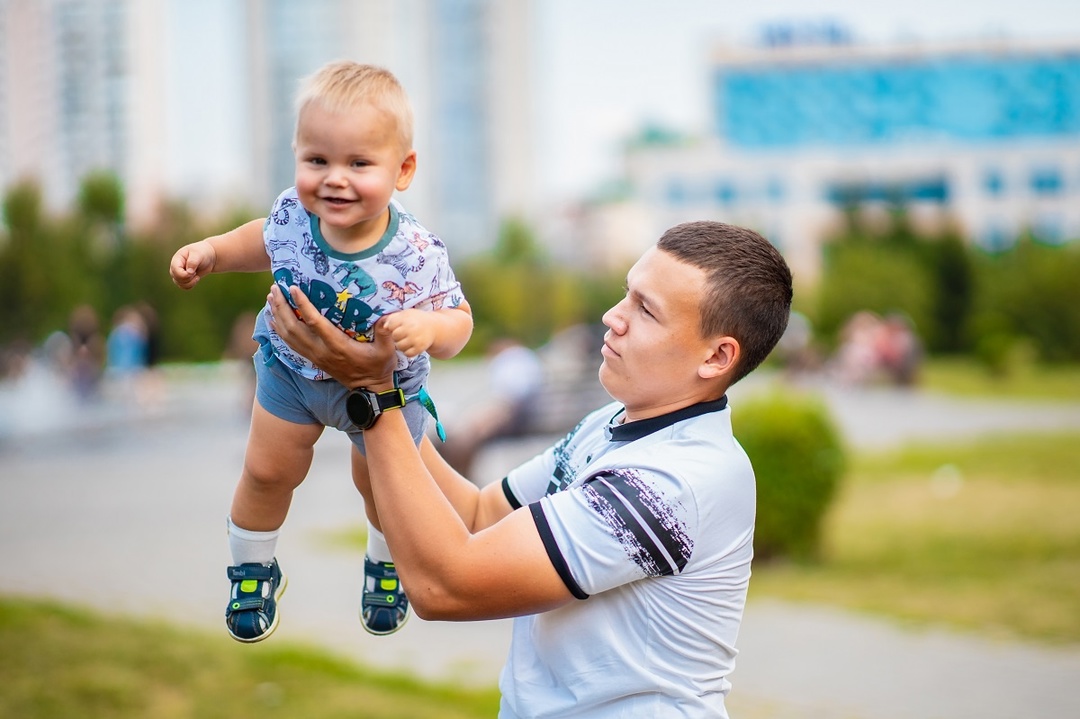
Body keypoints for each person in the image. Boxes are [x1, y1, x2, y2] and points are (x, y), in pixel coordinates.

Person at [269, 220, 793, 717]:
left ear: (717, 357)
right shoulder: (612, 425)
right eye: (626, 293)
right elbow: (478, 515)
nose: (613, 316)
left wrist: (374, 399)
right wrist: (381, 393)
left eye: (646, 311)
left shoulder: (672, 483)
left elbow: (445, 586)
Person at [169, 61, 472, 642]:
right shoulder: (294, 215)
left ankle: (387, 564)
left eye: (359, 163)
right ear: (297, 157)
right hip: (292, 370)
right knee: (266, 470)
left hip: (386, 389)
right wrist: (210, 251)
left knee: (383, 490)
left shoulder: (416, 252)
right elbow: (261, 237)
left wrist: (428, 330)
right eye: (317, 160)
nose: (335, 178)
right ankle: (252, 569)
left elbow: (460, 321)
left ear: (403, 169)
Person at [439, 337, 544, 477]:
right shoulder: (522, 359)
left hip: (517, 417)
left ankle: (459, 473)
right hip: (520, 414)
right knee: (469, 434)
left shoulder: (512, 360)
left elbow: (510, 398)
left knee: (469, 437)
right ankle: (459, 472)